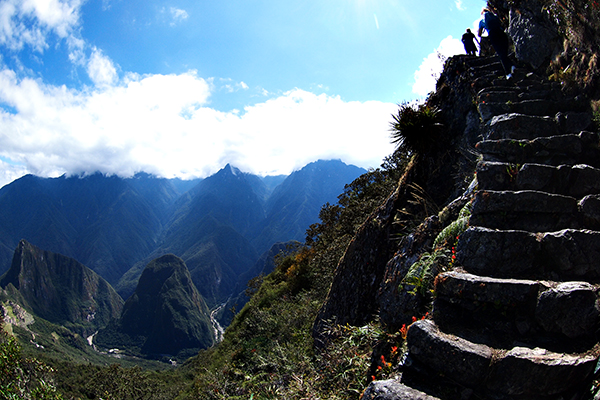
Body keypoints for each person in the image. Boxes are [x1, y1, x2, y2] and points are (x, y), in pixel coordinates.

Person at [478, 8, 516, 78]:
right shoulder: (495, 16)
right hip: (502, 33)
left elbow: (479, 34)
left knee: (501, 54)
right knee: (504, 53)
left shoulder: (482, 21)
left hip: (493, 35)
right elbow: (501, 23)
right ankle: (512, 66)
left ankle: (508, 73)